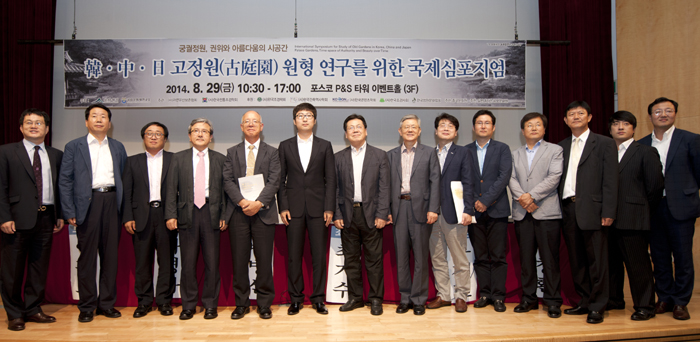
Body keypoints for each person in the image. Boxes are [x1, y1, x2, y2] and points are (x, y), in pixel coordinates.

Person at [59, 103, 127, 323]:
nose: (99, 120)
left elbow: (124, 180)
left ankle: (106, 304)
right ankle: (87, 306)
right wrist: (69, 210)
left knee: (110, 257)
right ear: (86, 121)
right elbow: (65, 180)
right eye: (94, 116)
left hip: (112, 202)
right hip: (87, 204)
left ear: (110, 122)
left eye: (104, 116)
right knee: (87, 258)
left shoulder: (117, 146)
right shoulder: (74, 146)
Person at [0, 109, 63, 331]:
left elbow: (59, 188)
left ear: (47, 128)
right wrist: (4, 217)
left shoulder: (55, 154)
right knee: (12, 270)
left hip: (46, 217)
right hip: (16, 220)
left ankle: (33, 309)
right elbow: (1, 188)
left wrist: (59, 215)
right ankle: (14, 313)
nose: (34, 126)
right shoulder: (6, 152)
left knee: (39, 267)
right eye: (29, 122)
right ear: (21, 127)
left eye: (39, 123)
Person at [639, 97, 700, 321]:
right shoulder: (642, 144)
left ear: (675, 114)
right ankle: (664, 297)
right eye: (658, 111)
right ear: (650, 116)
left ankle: (681, 301)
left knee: (683, 257)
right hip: (654, 208)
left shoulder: (691, 140)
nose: (663, 114)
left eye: (668, 111)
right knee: (659, 256)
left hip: (681, 207)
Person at [558, 100, 618, 324]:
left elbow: (611, 181)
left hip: (594, 210)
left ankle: (598, 305)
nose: (575, 117)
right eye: (571, 114)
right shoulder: (561, 146)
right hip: (568, 209)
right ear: (565, 120)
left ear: (589, 117)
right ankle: (584, 300)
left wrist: (609, 211)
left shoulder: (604, 143)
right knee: (577, 259)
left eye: (580, 113)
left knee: (597, 261)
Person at [165, 118, 228, 320]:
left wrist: (224, 215)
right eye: (196, 131)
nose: (200, 134)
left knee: (212, 262)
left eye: (205, 131)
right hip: (187, 213)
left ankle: (210, 305)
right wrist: (171, 214)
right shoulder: (178, 158)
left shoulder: (220, 158)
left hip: (212, 213)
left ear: (211, 136)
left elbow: (227, 191)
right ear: (189, 135)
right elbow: (170, 189)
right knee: (188, 263)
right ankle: (189, 305)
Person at [277, 103, 336, 315]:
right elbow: (280, 180)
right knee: (294, 255)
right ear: (294, 121)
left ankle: (318, 298)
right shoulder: (284, 146)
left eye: (308, 115)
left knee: (319, 254)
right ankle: (295, 299)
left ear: (314, 120)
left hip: (319, 209)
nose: (304, 119)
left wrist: (329, 207)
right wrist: (282, 206)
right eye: (300, 115)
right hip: (292, 209)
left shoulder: (325, 145)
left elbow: (330, 180)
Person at [223, 111, 280, 320]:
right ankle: (241, 304)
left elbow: (275, 181)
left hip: (263, 212)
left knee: (264, 261)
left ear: (261, 126)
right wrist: (242, 202)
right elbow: (227, 180)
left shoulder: (272, 152)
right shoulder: (232, 152)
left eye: (254, 121)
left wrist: (258, 203)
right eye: (246, 121)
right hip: (238, 212)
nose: (250, 124)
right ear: (241, 127)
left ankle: (264, 304)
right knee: (239, 260)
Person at [607, 110, 664, 321]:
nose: (620, 127)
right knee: (611, 264)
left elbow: (655, 187)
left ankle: (645, 306)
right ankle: (614, 299)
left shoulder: (645, 151)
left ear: (633, 128)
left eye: (626, 124)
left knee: (638, 265)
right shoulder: (606, 151)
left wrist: (640, 210)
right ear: (610, 128)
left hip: (633, 218)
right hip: (607, 219)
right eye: (616, 123)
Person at [333, 114, 390, 316]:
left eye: (359, 127)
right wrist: (337, 214)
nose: (355, 130)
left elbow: (384, 188)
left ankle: (375, 299)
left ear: (366, 131)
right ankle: (355, 298)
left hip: (373, 215)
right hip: (348, 216)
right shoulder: (338, 158)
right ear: (346, 134)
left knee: (374, 260)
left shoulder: (379, 155)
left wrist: (382, 213)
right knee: (351, 260)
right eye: (351, 127)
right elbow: (335, 189)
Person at [509, 112, 564, 318]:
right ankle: (528, 299)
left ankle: (552, 301)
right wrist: (524, 199)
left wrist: (530, 196)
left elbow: (554, 177)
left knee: (550, 259)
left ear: (544, 129)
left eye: (537, 125)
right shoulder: (514, 154)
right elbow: (511, 179)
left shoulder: (555, 150)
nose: (533, 128)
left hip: (547, 212)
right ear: (523, 131)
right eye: (529, 125)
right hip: (522, 214)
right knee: (526, 259)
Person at [122, 122, 177, 318]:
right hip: (141, 217)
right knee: (142, 263)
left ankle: (164, 301)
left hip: (166, 216)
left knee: (167, 261)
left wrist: (174, 215)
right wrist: (128, 216)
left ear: (165, 139)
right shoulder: (131, 161)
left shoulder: (174, 160)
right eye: (149, 134)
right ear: (143, 137)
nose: (154, 137)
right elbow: (127, 192)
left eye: (158, 134)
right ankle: (144, 302)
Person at [387, 114, 440, 316]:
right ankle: (405, 298)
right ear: (400, 132)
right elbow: (386, 186)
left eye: (414, 127)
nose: (410, 130)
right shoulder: (390, 155)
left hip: (421, 209)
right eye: (406, 127)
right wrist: (387, 211)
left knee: (420, 257)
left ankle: (419, 299)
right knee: (401, 257)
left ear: (419, 131)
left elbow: (436, 182)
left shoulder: (429, 153)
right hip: (399, 209)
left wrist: (433, 208)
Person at [465, 110, 512, 313]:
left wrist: (485, 200)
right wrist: (476, 201)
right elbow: (466, 179)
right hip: (475, 212)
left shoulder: (502, 149)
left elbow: (504, 177)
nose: (483, 126)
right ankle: (484, 294)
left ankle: (498, 296)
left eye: (487, 123)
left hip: (497, 210)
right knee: (481, 255)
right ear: (474, 127)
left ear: (493, 127)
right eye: (479, 122)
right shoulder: (465, 150)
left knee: (498, 255)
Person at [426, 113, 474, 313]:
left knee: (459, 257)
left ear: (456, 132)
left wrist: (468, 210)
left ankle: (462, 295)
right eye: (442, 125)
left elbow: (469, 182)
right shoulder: (428, 153)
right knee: (437, 258)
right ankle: (444, 295)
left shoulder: (463, 153)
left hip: (454, 213)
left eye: (450, 126)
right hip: (431, 214)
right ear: (436, 131)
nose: (446, 128)